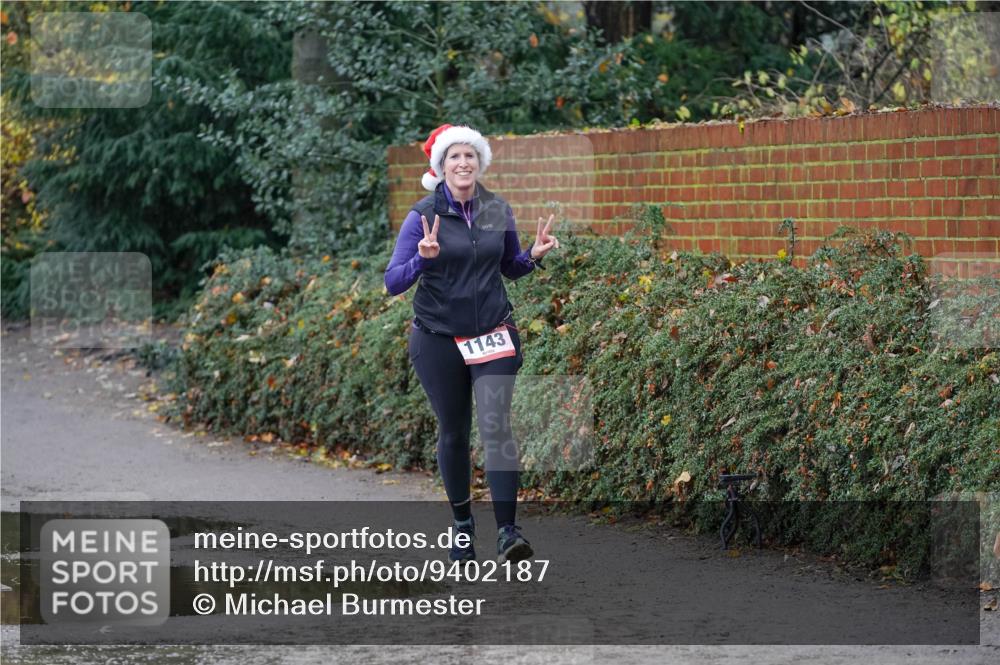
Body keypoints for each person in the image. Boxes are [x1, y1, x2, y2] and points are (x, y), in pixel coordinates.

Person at [384, 124, 558, 563]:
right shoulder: (423, 215)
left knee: (497, 425)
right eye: (454, 157)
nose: (463, 163)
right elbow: (391, 282)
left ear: (480, 163)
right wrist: (421, 262)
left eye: (470, 156)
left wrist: (532, 257)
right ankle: (462, 528)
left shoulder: (498, 209)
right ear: (440, 167)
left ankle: (508, 534)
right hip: (438, 337)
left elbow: (509, 267)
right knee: (455, 430)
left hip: (493, 333)